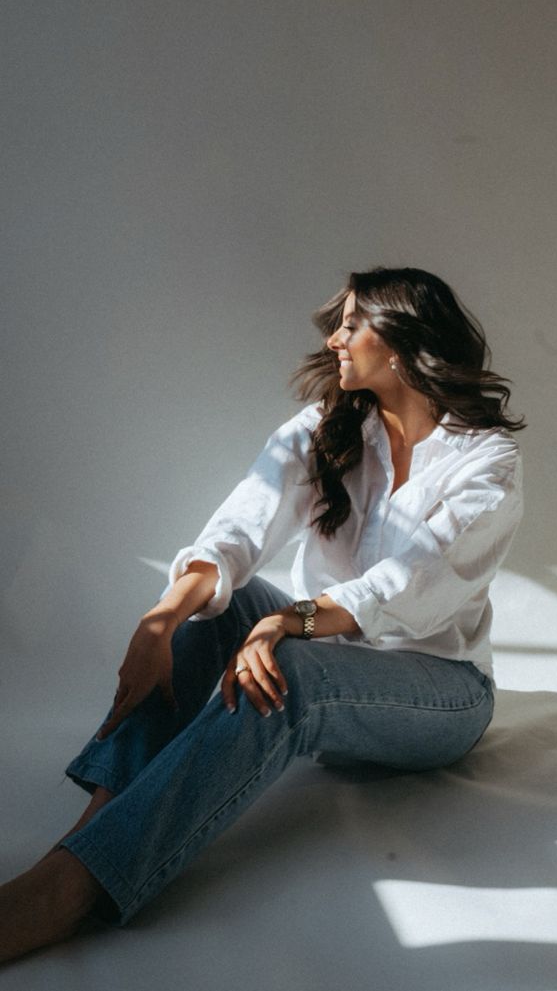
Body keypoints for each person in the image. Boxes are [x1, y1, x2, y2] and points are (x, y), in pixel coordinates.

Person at [0, 266, 524, 962]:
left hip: (440, 686)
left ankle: (70, 891)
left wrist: (291, 622)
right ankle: (93, 833)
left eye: (353, 322)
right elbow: (238, 532)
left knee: (289, 670)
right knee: (215, 610)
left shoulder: (486, 460)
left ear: (400, 341)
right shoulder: (328, 425)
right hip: (326, 643)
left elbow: (408, 584)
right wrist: (160, 619)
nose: (335, 337)